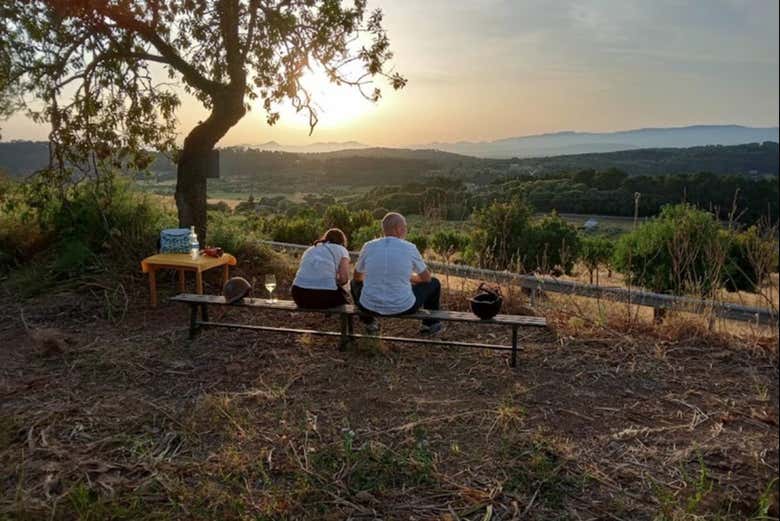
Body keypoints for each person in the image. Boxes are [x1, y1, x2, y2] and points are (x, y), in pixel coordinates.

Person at [351, 212, 442, 335]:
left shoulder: (368, 246)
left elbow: (357, 277)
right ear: (398, 229)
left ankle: (369, 322)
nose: (406, 230)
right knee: (434, 283)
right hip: (403, 306)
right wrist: (409, 277)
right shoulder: (409, 248)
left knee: (354, 283)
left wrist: (374, 277)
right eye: (405, 227)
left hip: (369, 306)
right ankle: (430, 324)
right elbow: (426, 278)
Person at [291, 228, 351, 308]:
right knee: (344, 298)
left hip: (298, 295)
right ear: (343, 241)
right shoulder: (342, 250)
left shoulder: (311, 249)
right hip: (323, 297)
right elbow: (344, 279)